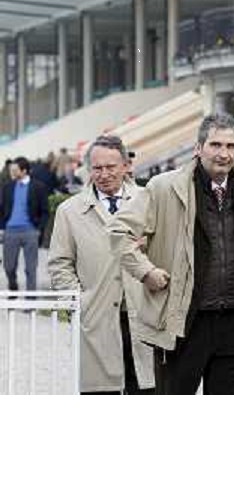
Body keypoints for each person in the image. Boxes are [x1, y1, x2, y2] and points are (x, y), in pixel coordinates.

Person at [108, 113, 234, 395]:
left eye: (230, 146)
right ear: (198, 148)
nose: (223, 154)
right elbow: (118, 231)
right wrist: (146, 272)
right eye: (215, 145)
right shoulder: (164, 187)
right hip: (183, 323)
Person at [48, 135, 154, 394]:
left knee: (149, 390)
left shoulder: (149, 200)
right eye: (97, 168)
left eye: (111, 167)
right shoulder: (69, 211)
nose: (104, 174)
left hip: (146, 313)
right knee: (99, 393)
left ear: (126, 166)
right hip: (97, 316)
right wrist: (78, 302)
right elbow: (60, 263)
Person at [0, 156, 49, 292]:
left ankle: (30, 300)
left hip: (30, 231)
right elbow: (2, 208)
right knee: (9, 267)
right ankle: (13, 285)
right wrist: (2, 228)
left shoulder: (38, 187)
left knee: (30, 268)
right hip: (10, 231)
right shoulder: (7, 187)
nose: (12, 173)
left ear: (24, 171)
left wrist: (39, 229)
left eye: (15, 170)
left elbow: (45, 211)